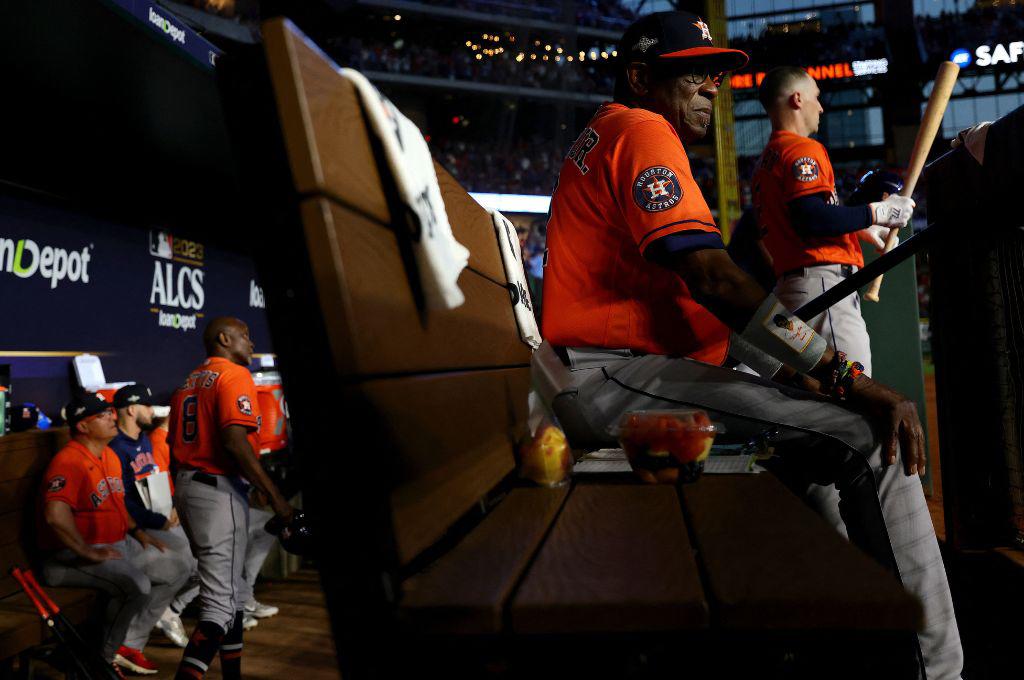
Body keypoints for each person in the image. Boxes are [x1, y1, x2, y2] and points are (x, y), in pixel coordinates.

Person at [541, 11, 962, 679]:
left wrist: (796, 372)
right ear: (641, 78)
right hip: (612, 376)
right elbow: (713, 279)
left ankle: (844, 633)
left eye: (715, 72)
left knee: (822, 438)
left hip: (628, 369)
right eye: (693, 72)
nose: (712, 84)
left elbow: (697, 301)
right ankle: (935, 670)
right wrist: (844, 376)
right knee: (867, 434)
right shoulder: (641, 129)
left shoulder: (616, 130)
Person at [751, 66, 916, 376]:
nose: (821, 107)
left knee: (807, 394)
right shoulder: (801, 148)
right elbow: (811, 218)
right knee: (856, 392)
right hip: (823, 287)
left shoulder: (765, 160)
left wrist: (861, 228)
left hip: (793, 287)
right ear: (797, 99)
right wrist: (878, 212)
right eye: (816, 97)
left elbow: (805, 219)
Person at [169, 317, 295, 680]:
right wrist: (276, 498)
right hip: (216, 490)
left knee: (233, 595)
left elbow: (174, 446)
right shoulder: (234, 374)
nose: (251, 344)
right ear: (224, 339)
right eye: (245, 336)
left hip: (191, 486)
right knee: (219, 608)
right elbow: (235, 443)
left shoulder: (190, 380)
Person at [38, 393, 191, 677]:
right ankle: (104, 660)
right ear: (83, 426)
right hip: (70, 558)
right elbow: (55, 516)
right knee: (137, 585)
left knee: (178, 567)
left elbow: (116, 504)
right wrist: (86, 551)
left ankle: (129, 644)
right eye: (102, 415)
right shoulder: (68, 461)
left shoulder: (108, 455)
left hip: (116, 544)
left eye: (110, 412)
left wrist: (137, 532)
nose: (111, 417)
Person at [108, 383, 199, 658]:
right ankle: (131, 640)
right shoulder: (115, 447)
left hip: (157, 519)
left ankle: (166, 613)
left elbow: (154, 482)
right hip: (137, 529)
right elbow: (123, 502)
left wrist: (171, 507)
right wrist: (157, 521)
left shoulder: (143, 440)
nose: (152, 411)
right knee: (182, 566)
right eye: (146, 406)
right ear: (131, 409)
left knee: (203, 560)